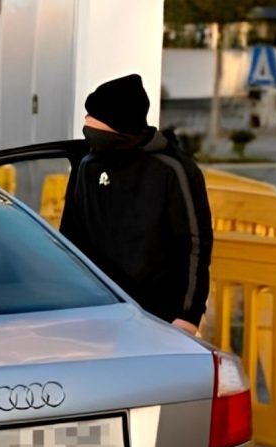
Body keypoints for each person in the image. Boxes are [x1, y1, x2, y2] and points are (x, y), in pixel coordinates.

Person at [60, 74, 213, 335]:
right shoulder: (87, 165)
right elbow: (71, 238)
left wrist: (188, 315)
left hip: (158, 318)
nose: (86, 122)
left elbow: (193, 245)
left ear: (119, 123)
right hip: (98, 312)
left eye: (94, 116)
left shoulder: (172, 169)